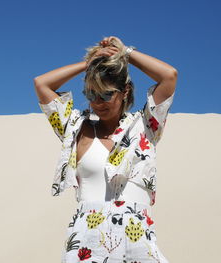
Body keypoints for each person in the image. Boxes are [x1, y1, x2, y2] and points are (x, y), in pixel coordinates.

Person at [34, 36, 177, 263]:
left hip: (136, 239)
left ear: (125, 91)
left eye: (106, 94)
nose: (98, 102)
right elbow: (42, 84)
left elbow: (169, 76)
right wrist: (89, 63)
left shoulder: (146, 125)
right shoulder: (75, 128)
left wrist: (125, 53)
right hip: (86, 240)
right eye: (91, 95)